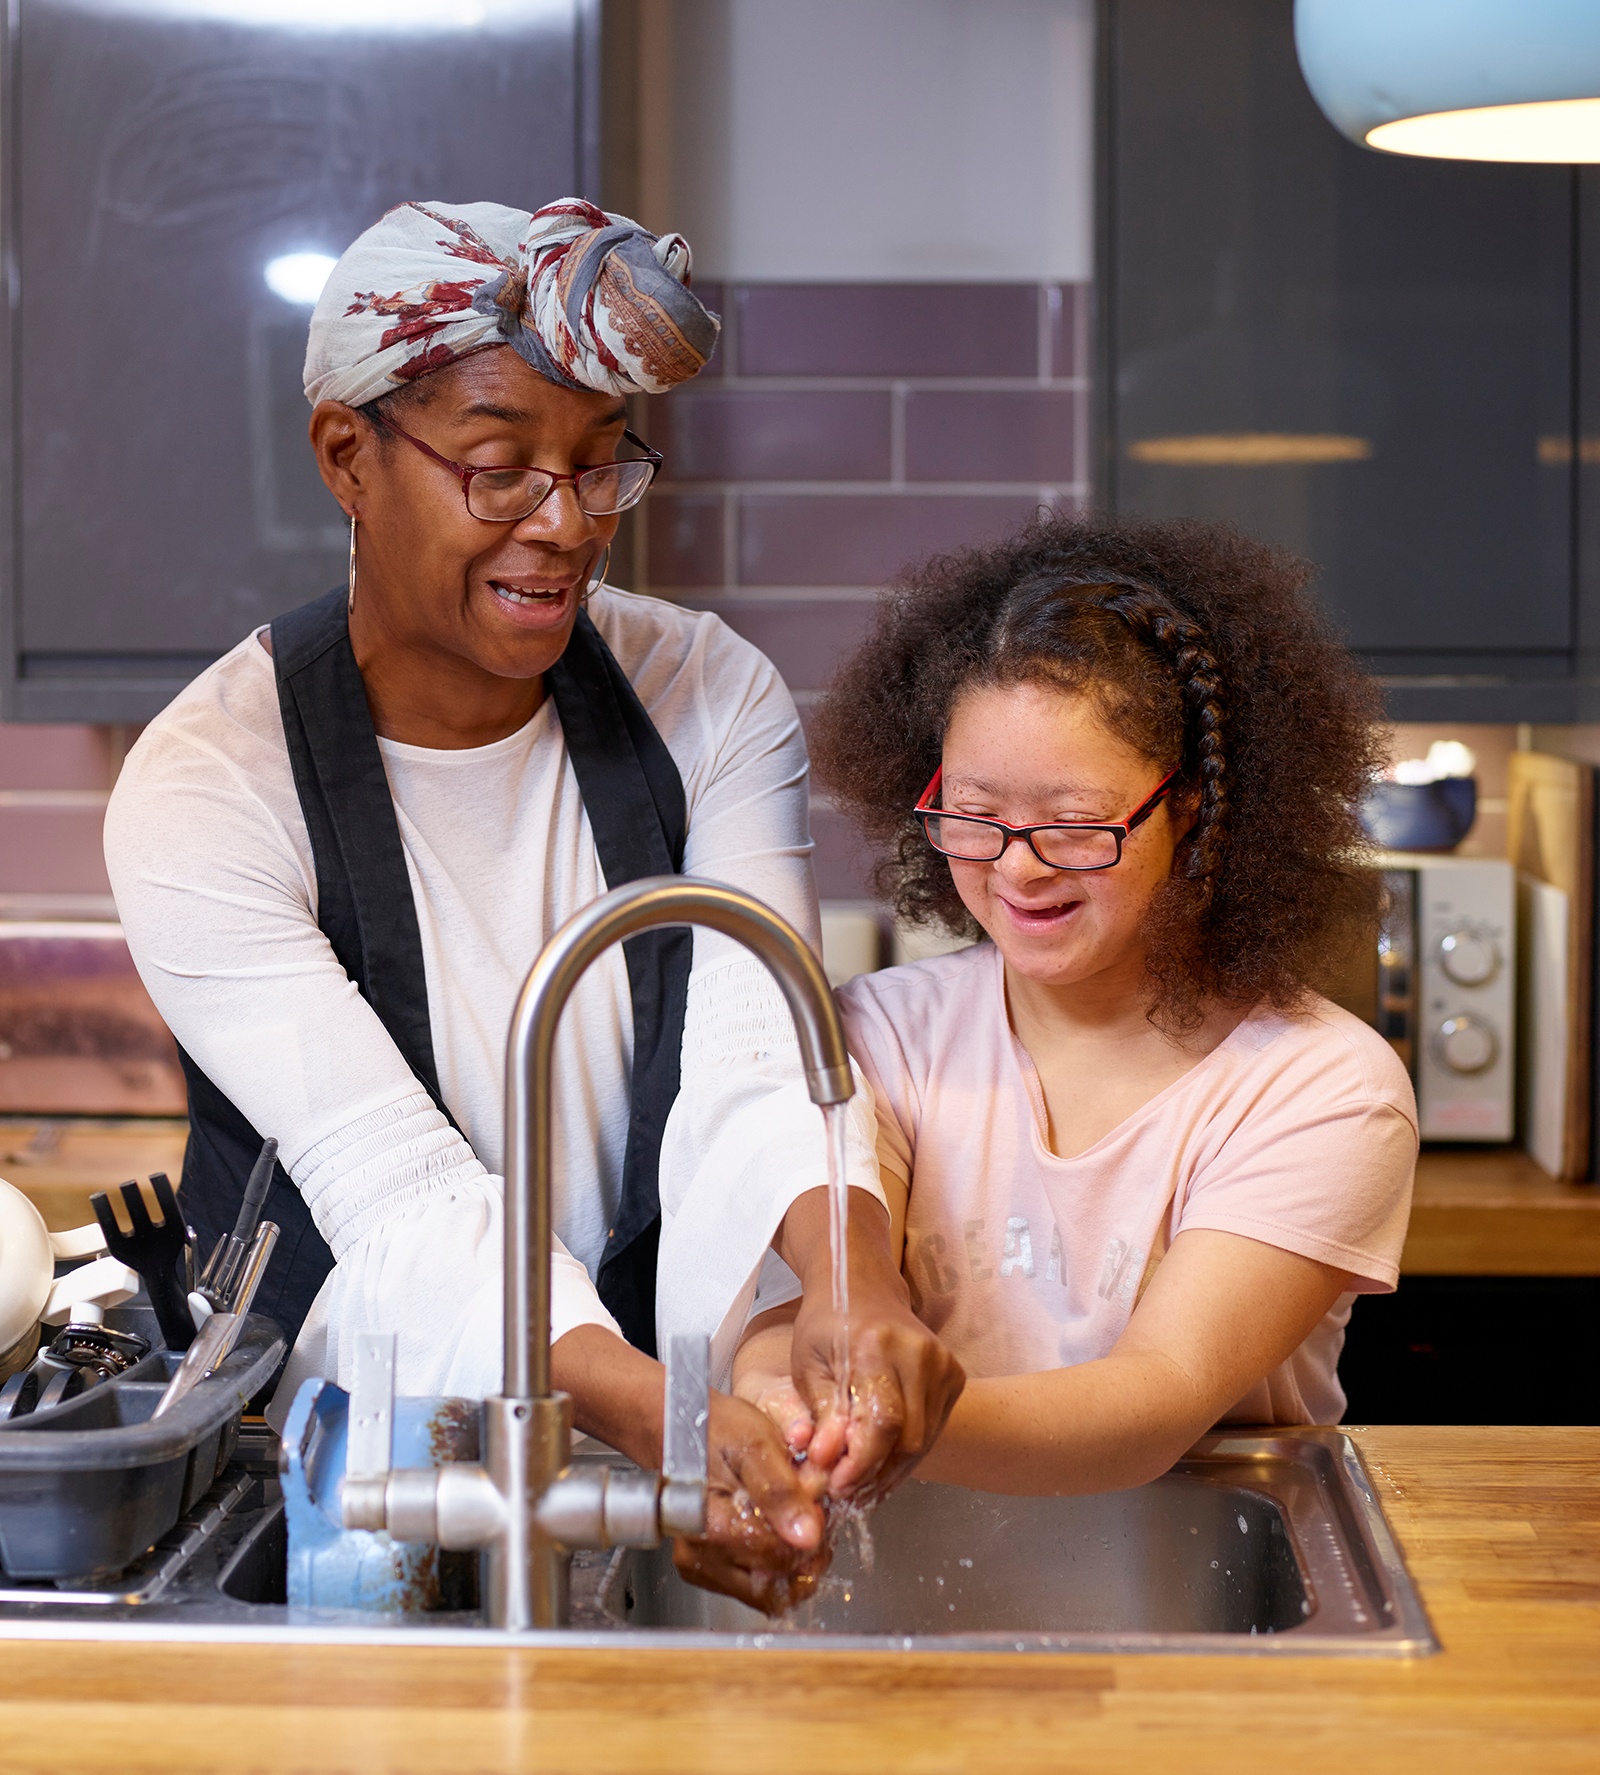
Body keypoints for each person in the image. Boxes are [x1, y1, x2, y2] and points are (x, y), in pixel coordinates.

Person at [105, 197, 960, 1603]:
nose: (561, 525)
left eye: (602, 463)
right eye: (499, 468)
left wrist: (855, 1284)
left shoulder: (706, 695)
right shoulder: (210, 784)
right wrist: (652, 1411)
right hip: (354, 1471)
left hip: (652, 1405)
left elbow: (765, 1046)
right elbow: (395, 1188)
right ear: (347, 457)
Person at [734, 512, 1415, 1495]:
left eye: (1073, 824)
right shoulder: (880, 1036)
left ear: (1190, 809)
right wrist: (777, 1389)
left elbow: (1151, 1399)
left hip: (1195, 1579)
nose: (1018, 865)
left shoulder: (1320, 1087)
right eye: (974, 814)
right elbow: (789, 1319)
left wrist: (886, 1415)